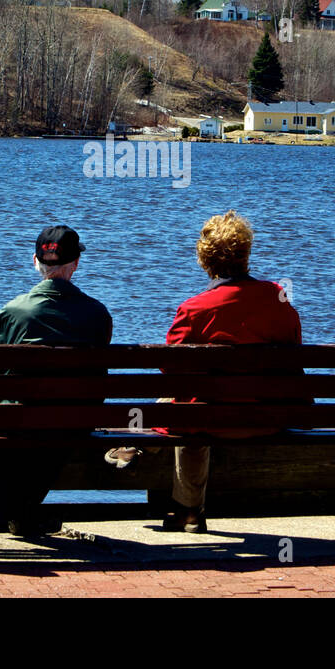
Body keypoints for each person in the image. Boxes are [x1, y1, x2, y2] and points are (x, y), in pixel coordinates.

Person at [105, 209, 302, 532]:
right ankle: (184, 509)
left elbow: (171, 368)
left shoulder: (195, 309)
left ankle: (145, 458)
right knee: (195, 403)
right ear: (245, 254)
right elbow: (293, 354)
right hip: (269, 418)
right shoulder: (278, 299)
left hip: (208, 419)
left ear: (204, 258)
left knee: (189, 405)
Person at [0, 224, 112, 536]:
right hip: (74, 421)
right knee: (53, 418)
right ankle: (22, 513)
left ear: (35, 262)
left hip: (20, 421)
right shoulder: (98, 314)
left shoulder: (13, 311)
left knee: (11, 410)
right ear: (76, 264)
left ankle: (9, 505)